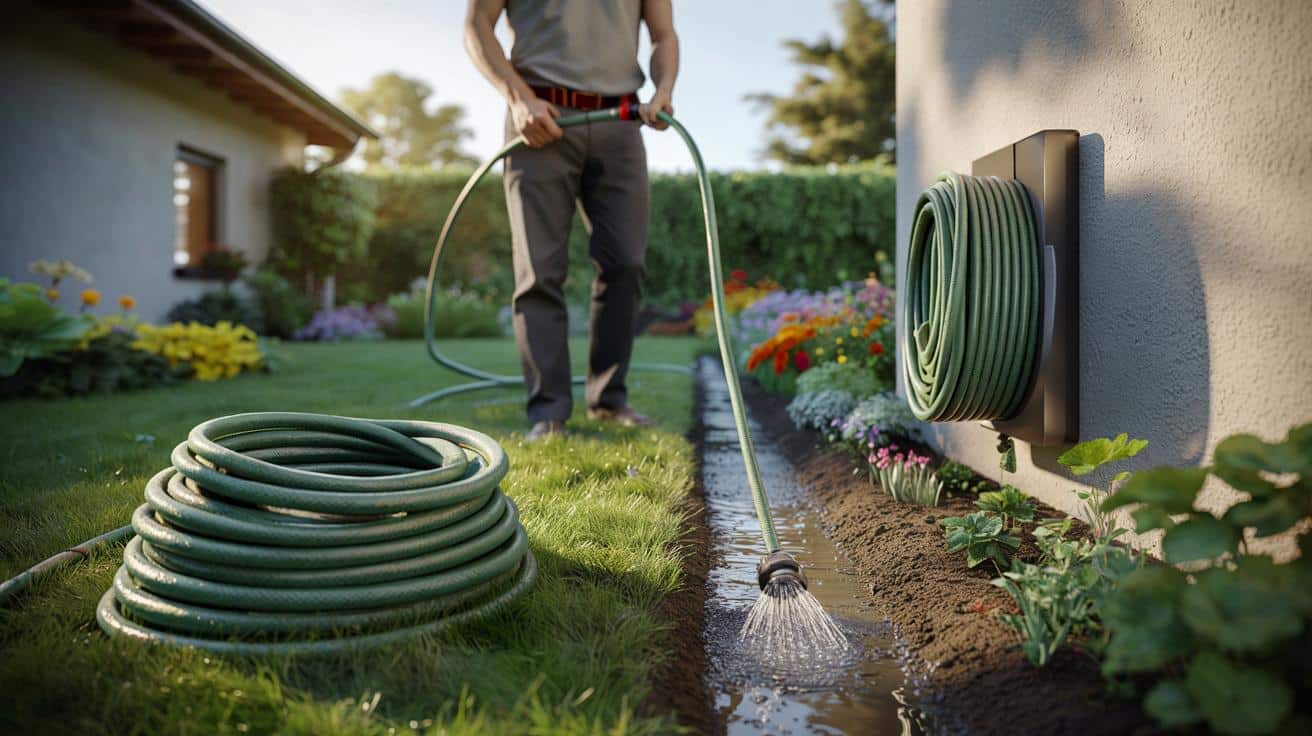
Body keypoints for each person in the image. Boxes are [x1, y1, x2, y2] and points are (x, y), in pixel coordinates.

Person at [464, 0, 679, 440]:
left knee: (625, 262)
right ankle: (549, 413)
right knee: (539, 271)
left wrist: (664, 91)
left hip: (621, 121)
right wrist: (519, 100)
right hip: (540, 120)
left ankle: (609, 400)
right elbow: (476, 24)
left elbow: (663, 36)